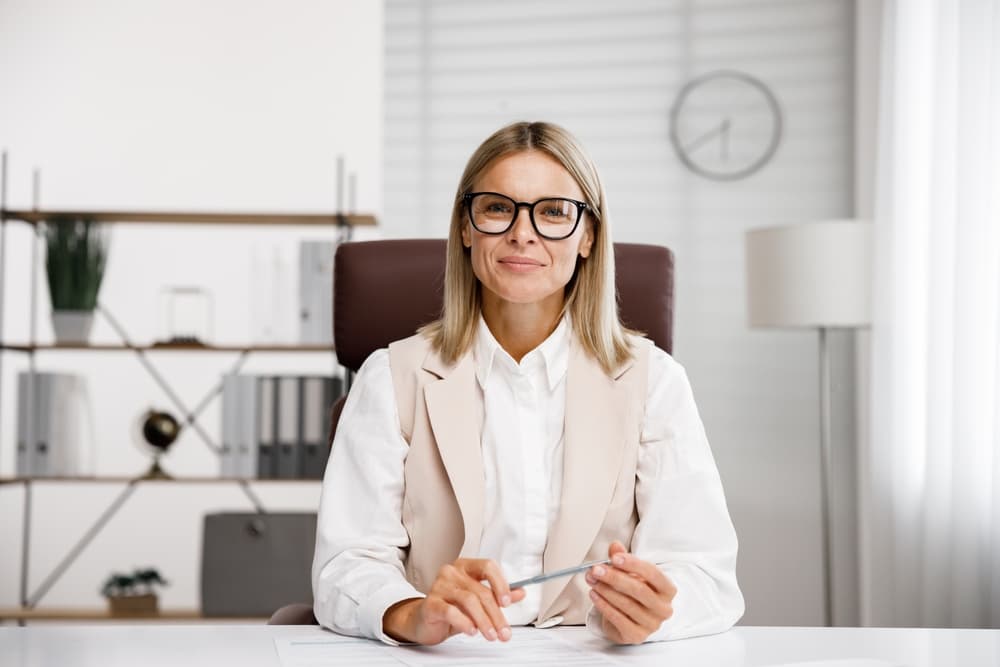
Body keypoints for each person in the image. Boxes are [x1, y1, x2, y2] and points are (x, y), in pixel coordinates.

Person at [312, 121, 744, 646]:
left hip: (596, 654)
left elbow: (706, 576)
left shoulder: (654, 382)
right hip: (444, 656)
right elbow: (346, 564)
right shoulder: (392, 377)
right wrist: (410, 612)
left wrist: (654, 614)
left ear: (588, 236)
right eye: (498, 207)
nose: (523, 232)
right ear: (467, 228)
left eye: (554, 213)